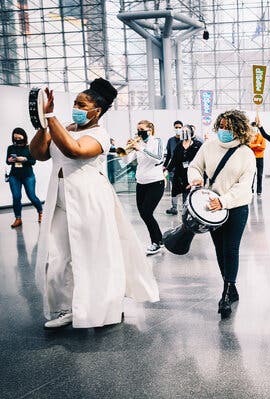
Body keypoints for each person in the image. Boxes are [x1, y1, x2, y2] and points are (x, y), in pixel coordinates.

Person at [29, 79, 159, 329]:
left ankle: (104, 305)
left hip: (89, 197)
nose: (75, 107)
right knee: (58, 255)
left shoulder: (99, 133)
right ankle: (65, 309)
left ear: (96, 110)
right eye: (75, 103)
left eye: (81, 104)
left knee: (93, 254)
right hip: (59, 196)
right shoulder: (62, 126)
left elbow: (75, 150)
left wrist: (52, 118)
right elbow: (39, 154)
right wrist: (43, 125)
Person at [188, 110, 256, 319]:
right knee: (219, 248)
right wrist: (196, 179)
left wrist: (223, 201)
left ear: (239, 128)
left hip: (235, 207)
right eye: (221, 126)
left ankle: (226, 292)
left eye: (228, 127)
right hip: (210, 208)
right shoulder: (209, 145)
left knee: (231, 248)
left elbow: (245, 187)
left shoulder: (246, 154)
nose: (223, 130)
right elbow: (195, 166)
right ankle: (230, 285)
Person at [127, 120, 165, 255]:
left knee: (147, 212)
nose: (139, 132)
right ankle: (159, 240)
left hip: (156, 183)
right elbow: (126, 161)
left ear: (150, 130)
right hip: (141, 183)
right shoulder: (139, 143)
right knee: (143, 213)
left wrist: (141, 148)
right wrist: (129, 148)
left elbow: (159, 158)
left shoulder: (157, 141)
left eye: (141, 129)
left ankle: (157, 242)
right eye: (138, 129)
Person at [5, 127, 44, 228]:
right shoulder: (11, 148)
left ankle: (41, 212)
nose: (17, 141)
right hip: (14, 176)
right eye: (15, 139)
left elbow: (33, 162)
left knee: (32, 196)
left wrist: (25, 159)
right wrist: (10, 160)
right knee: (16, 197)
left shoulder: (30, 147)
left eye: (19, 138)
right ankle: (18, 219)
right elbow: (7, 161)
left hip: (28, 176)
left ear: (24, 137)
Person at [166, 125, 202, 206]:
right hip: (179, 174)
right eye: (183, 131)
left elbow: (202, 160)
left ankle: (188, 210)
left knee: (189, 194)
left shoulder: (197, 145)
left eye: (186, 131)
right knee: (175, 192)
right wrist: (167, 169)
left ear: (191, 133)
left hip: (191, 174)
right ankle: (175, 208)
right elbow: (174, 160)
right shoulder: (179, 145)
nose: (184, 133)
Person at [165, 120, 183, 215]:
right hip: (173, 169)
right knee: (174, 188)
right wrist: (165, 166)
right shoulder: (170, 141)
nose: (178, 129)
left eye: (180, 127)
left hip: (184, 169)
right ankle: (174, 207)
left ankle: (185, 208)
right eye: (176, 127)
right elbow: (168, 155)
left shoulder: (185, 139)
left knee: (185, 189)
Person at [249, 123, 266, 195]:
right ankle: (251, 190)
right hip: (251, 157)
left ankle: (259, 191)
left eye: (255, 127)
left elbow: (263, 147)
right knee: (251, 174)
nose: (253, 129)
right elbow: (248, 145)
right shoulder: (249, 136)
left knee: (260, 174)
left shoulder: (262, 136)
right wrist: (257, 145)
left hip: (260, 158)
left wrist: (253, 146)